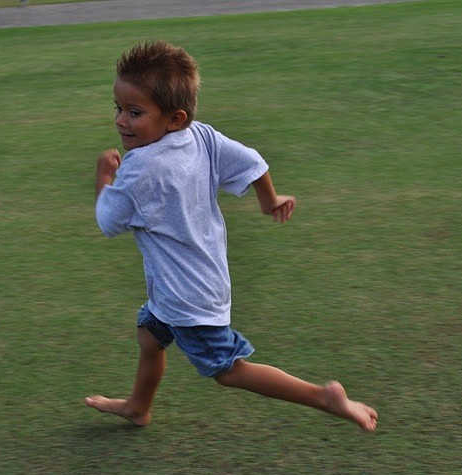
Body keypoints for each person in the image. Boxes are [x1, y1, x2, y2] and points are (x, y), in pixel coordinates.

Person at [85, 41, 378, 432]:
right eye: (118, 108)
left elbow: (108, 220)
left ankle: (322, 397)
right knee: (149, 336)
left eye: (135, 112)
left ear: (175, 118)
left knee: (228, 370)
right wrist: (270, 200)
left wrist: (104, 178)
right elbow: (252, 162)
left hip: (187, 296)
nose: (121, 121)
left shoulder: (143, 171)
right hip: (190, 281)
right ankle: (139, 406)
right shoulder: (199, 136)